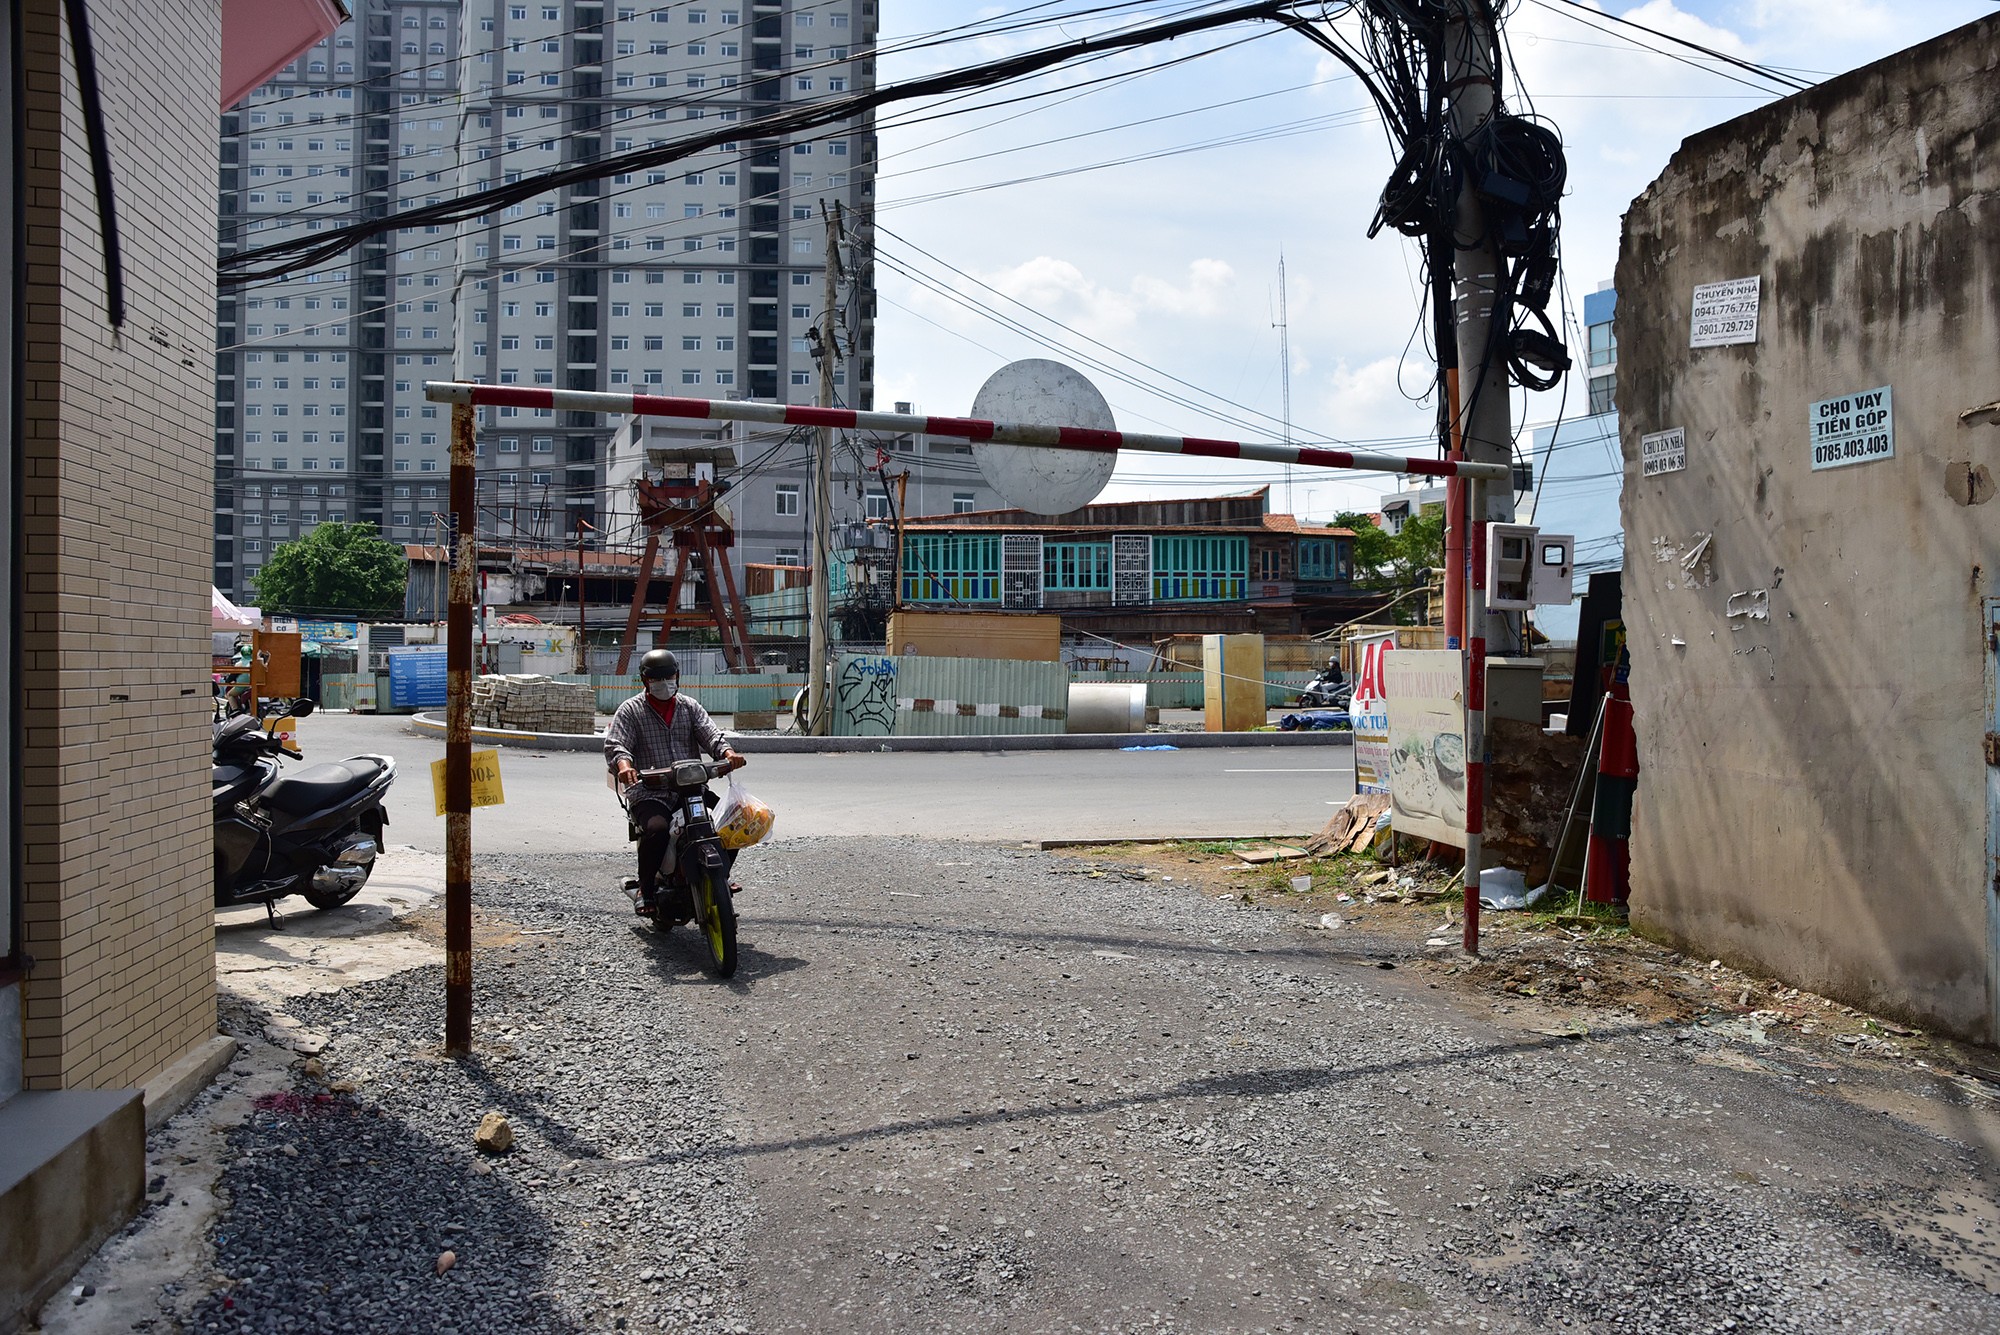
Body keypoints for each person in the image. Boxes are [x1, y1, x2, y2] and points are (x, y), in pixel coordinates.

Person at [604, 649, 743, 916]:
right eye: (657, 679)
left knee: (733, 820)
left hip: (691, 789)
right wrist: (624, 766)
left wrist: (728, 753)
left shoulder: (689, 707)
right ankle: (646, 889)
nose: (664, 683)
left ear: (677, 676)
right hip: (650, 792)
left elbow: (711, 735)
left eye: (668, 677)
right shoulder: (630, 710)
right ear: (645, 681)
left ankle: (720, 876)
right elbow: (617, 745)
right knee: (656, 830)